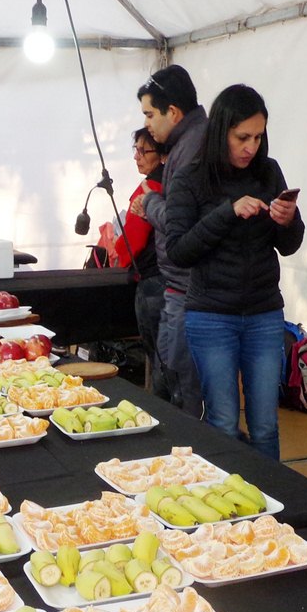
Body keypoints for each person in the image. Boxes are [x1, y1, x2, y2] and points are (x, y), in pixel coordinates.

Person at [166, 84, 304, 460]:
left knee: (265, 426)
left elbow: (289, 245)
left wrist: (288, 220)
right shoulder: (190, 179)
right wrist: (226, 212)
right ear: (220, 132)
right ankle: (225, 510)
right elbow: (179, 251)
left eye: (258, 137)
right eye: (242, 137)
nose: (251, 147)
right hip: (211, 317)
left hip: (263, 313)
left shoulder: (268, 171)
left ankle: (271, 509)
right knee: (223, 422)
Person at [132, 65, 207, 418]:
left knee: (181, 386)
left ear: (173, 112)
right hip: (181, 284)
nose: (147, 123)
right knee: (176, 379)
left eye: (150, 114)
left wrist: (149, 203)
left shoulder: (190, 149)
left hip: (185, 285)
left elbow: (181, 224)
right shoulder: (188, 143)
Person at [114, 128, 169, 400]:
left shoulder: (149, 190)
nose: (136, 157)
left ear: (161, 156)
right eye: (135, 150)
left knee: (159, 358)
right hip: (172, 281)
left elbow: (131, 243)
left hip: (153, 282)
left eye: (143, 151)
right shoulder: (174, 185)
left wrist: (117, 251)